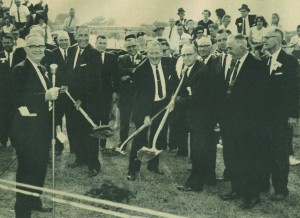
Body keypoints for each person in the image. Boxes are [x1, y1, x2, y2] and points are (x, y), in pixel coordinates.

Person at [11, 33, 59, 217]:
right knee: (27, 171)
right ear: (26, 50)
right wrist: (45, 96)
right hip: (26, 131)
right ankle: (22, 212)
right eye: (34, 46)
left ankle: (34, 201)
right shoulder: (21, 69)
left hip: (41, 129)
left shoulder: (43, 69)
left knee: (39, 167)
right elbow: (17, 99)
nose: (39, 49)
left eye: (41, 46)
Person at [219, 34, 268, 209]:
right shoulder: (233, 63)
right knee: (233, 158)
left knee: (249, 159)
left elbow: (260, 99)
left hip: (248, 124)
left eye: (230, 47)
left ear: (241, 47)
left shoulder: (257, 66)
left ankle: (251, 195)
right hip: (231, 122)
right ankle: (237, 189)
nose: (228, 50)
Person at [127, 41, 176, 181]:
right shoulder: (140, 70)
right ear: (146, 53)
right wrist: (145, 115)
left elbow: (175, 83)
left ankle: (153, 166)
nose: (154, 56)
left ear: (162, 52)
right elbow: (139, 95)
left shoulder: (169, 64)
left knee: (159, 136)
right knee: (140, 139)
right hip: (143, 107)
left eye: (157, 53)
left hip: (163, 106)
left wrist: (173, 100)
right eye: (151, 53)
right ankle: (133, 170)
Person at [262, 29, 299, 201]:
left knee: (280, 154)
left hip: (282, 117)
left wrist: (293, 114)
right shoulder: (264, 60)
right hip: (265, 117)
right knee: (265, 150)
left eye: (267, 38)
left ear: (277, 39)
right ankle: (263, 184)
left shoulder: (290, 61)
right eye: (264, 38)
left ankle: (280, 189)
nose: (264, 40)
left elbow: (296, 90)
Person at [176, 44, 215, 192]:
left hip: (202, 117)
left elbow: (198, 99)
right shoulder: (191, 68)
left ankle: (194, 183)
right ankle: (208, 177)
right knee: (202, 149)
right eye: (183, 55)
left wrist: (178, 100)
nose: (186, 58)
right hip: (196, 116)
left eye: (189, 54)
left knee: (198, 150)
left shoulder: (201, 72)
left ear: (196, 54)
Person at [66, 25, 103, 177]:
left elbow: (94, 81)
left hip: (89, 101)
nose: (83, 39)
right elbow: (70, 73)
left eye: (85, 35)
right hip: (72, 100)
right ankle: (80, 158)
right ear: (75, 35)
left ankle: (94, 165)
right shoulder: (71, 50)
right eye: (80, 35)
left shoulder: (94, 54)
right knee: (76, 130)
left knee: (90, 133)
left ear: (89, 36)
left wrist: (81, 98)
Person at [210, 29, 232, 181]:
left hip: (235, 108)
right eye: (219, 40)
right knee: (222, 140)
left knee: (233, 141)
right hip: (220, 107)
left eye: (225, 39)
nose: (222, 42)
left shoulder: (238, 59)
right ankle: (226, 171)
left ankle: (233, 171)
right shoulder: (216, 60)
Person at [116, 38, 145, 151]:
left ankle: (141, 144)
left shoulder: (144, 58)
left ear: (138, 46)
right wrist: (132, 71)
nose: (131, 49)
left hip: (139, 95)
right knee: (124, 121)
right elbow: (119, 72)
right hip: (125, 95)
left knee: (140, 121)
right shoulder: (121, 58)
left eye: (133, 46)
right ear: (125, 48)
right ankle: (123, 143)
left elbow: (142, 73)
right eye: (129, 47)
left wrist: (128, 73)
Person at [95, 35, 119, 150]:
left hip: (106, 92)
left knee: (104, 117)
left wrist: (115, 91)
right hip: (93, 93)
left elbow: (115, 76)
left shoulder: (111, 57)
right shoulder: (91, 56)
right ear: (96, 43)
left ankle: (102, 144)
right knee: (94, 117)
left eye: (104, 43)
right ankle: (93, 142)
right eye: (100, 43)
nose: (102, 45)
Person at [48, 31, 70, 155]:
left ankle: (75, 147)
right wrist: (59, 86)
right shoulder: (52, 54)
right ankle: (59, 146)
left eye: (66, 40)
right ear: (57, 41)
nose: (64, 42)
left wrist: (69, 85)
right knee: (57, 121)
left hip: (71, 94)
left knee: (72, 122)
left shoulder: (73, 52)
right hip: (59, 94)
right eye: (61, 40)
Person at [0, 34, 18, 148]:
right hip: (2, 94)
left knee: (15, 117)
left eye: (8, 43)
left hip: (16, 94)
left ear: (13, 43)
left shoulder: (20, 55)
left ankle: (15, 141)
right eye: (4, 43)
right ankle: (3, 140)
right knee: (2, 117)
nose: (6, 45)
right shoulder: (0, 55)